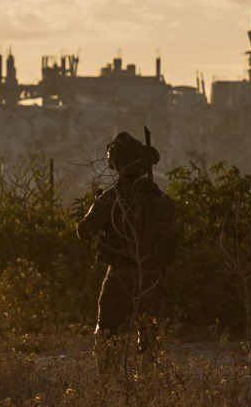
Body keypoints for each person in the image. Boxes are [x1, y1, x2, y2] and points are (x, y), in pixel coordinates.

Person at [77, 132, 179, 353]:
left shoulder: (112, 198)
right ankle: (149, 382)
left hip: (121, 274)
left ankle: (109, 383)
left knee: (106, 331)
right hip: (152, 275)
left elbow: (84, 231)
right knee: (149, 335)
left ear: (117, 164)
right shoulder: (160, 198)